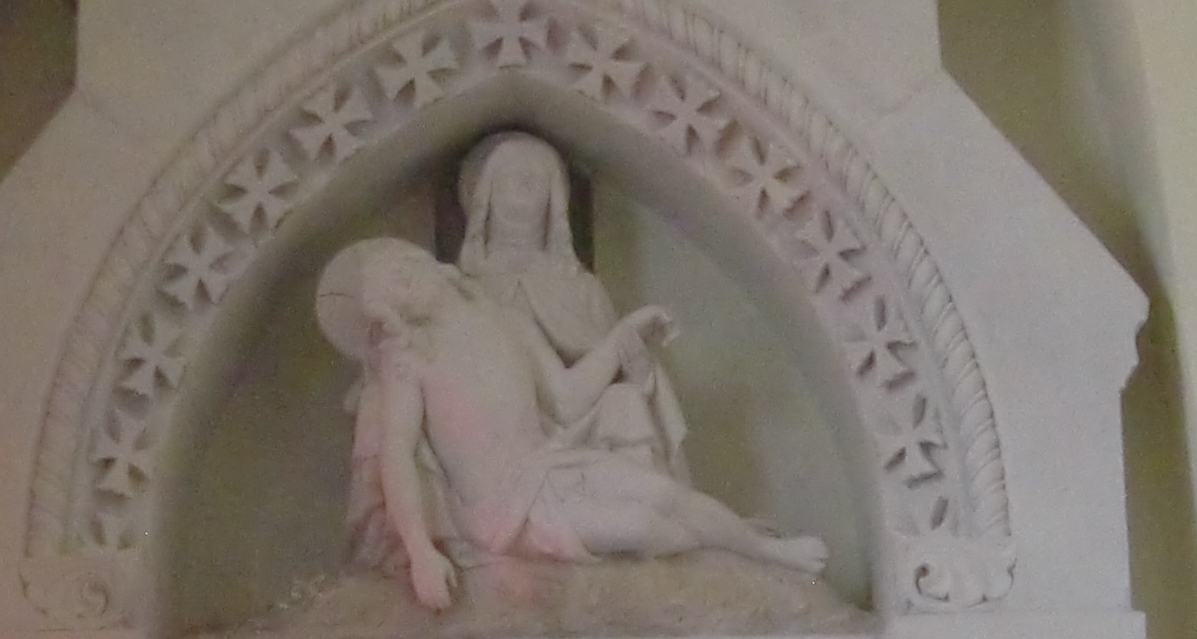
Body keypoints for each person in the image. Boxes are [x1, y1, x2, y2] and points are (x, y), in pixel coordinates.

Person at [316, 235, 828, 612]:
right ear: (388, 312)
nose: (410, 279)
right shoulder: (409, 362)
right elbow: (398, 454)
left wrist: (623, 337)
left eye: (407, 266)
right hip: (506, 509)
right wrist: (421, 552)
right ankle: (717, 546)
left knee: (664, 493)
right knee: (640, 525)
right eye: (395, 285)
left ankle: (764, 550)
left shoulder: (506, 322)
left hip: (554, 463)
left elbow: (566, 399)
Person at [456, 130, 687, 475]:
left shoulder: (581, 287)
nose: (525, 181)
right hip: (501, 433)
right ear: (482, 194)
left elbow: (615, 375)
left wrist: (640, 371)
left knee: (624, 403)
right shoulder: (464, 289)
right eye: (510, 173)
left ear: (556, 199)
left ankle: (651, 503)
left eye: (538, 176)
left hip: (580, 427)